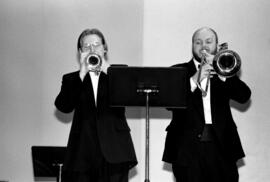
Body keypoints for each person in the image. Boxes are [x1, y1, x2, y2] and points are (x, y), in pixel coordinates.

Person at [162, 27, 251, 182]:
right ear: (192, 46)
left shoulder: (225, 70)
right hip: (186, 148)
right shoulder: (178, 70)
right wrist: (194, 79)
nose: (203, 45)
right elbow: (168, 102)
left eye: (209, 41)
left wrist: (224, 75)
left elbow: (244, 96)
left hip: (222, 146)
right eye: (198, 42)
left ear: (217, 45)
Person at [55, 28, 137, 182]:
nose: (92, 49)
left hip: (115, 150)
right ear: (80, 51)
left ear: (105, 48)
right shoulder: (71, 79)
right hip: (82, 152)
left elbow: (130, 96)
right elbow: (63, 107)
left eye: (96, 44)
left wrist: (107, 68)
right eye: (86, 46)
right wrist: (81, 74)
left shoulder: (119, 74)